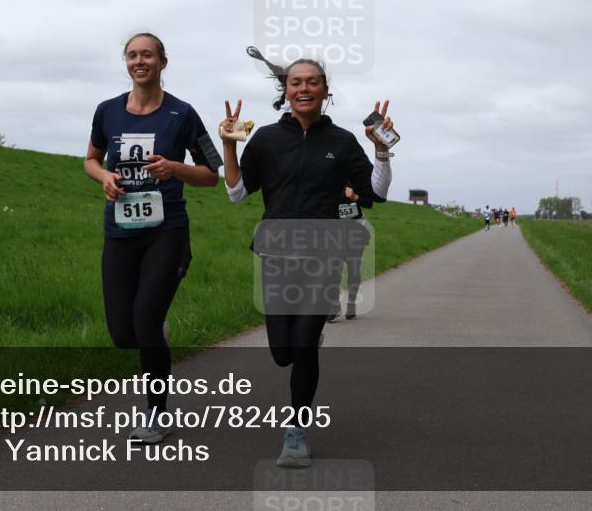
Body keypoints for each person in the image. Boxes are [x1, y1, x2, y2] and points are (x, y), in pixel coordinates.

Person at [221, 59, 393, 468]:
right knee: (282, 352)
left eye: (312, 82)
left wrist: (382, 149)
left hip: (323, 253)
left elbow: (376, 191)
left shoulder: (343, 139)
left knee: (303, 346)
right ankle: (307, 339)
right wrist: (229, 145)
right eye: (296, 82)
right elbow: (236, 193)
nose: (304, 88)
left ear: (323, 89)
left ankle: (296, 432)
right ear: (286, 90)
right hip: (277, 252)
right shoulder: (264, 139)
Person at [84, 32, 221, 444]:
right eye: (132, 55)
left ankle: (155, 414)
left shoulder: (182, 114)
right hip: (120, 232)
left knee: (143, 321)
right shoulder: (107, 111)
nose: (139, 61)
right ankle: (155, 331)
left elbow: (212, 174)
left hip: (167, 232)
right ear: (126, 62)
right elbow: (90, 159)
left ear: (163, 61)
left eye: (147, 55)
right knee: (123, 334)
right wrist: (105, 175)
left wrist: (175, 169)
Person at [328, 184, 373, 321]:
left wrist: (355, 197)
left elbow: (369, 203)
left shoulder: (356, 180)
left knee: (353, 268)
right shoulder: (329, 178)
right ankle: (334, 305)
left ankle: (351, 304)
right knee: (333, 268)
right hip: (335, 232)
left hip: (356, 232)